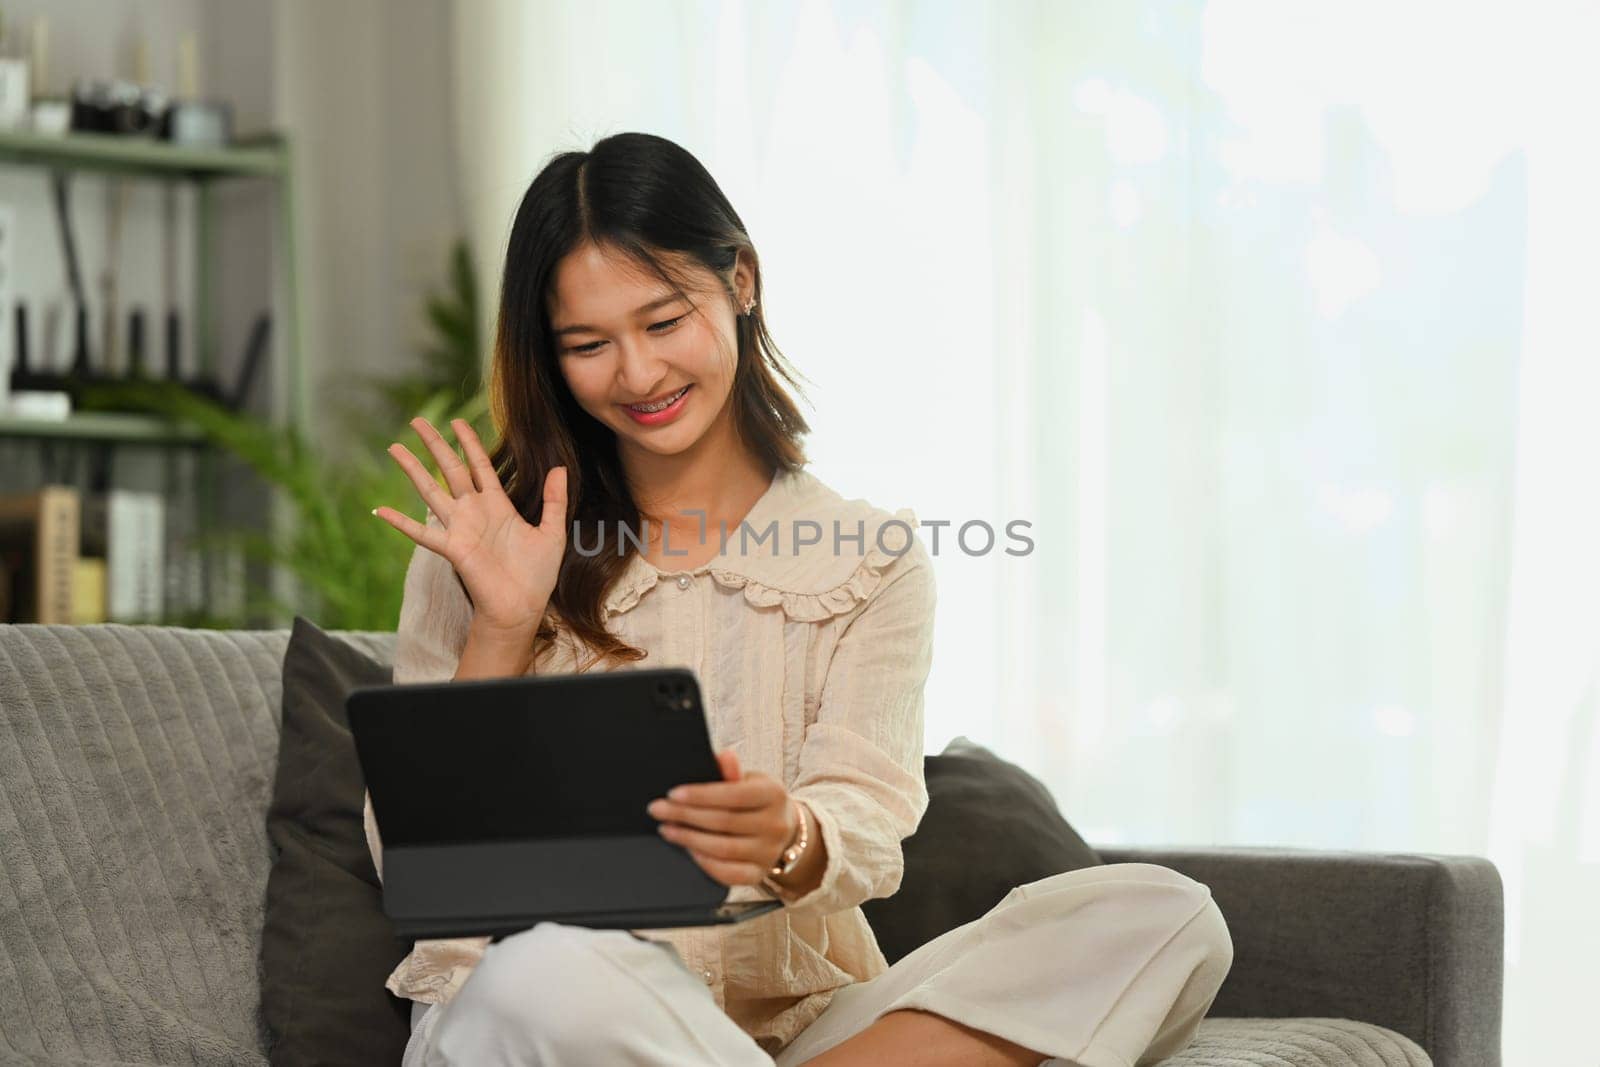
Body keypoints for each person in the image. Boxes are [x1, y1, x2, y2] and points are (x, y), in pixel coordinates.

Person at [366, 131, 1233, 1067]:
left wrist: (791, 837)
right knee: (552, 968)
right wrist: (503, 624)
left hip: (799, 1033)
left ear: (739, 279)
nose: (638, 374)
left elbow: (866, 815)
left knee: (1165, 916)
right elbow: (414, 861)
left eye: (664, 321)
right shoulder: (491, 544)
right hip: (543, 1019)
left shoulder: (872, 561)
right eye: (588, 344)